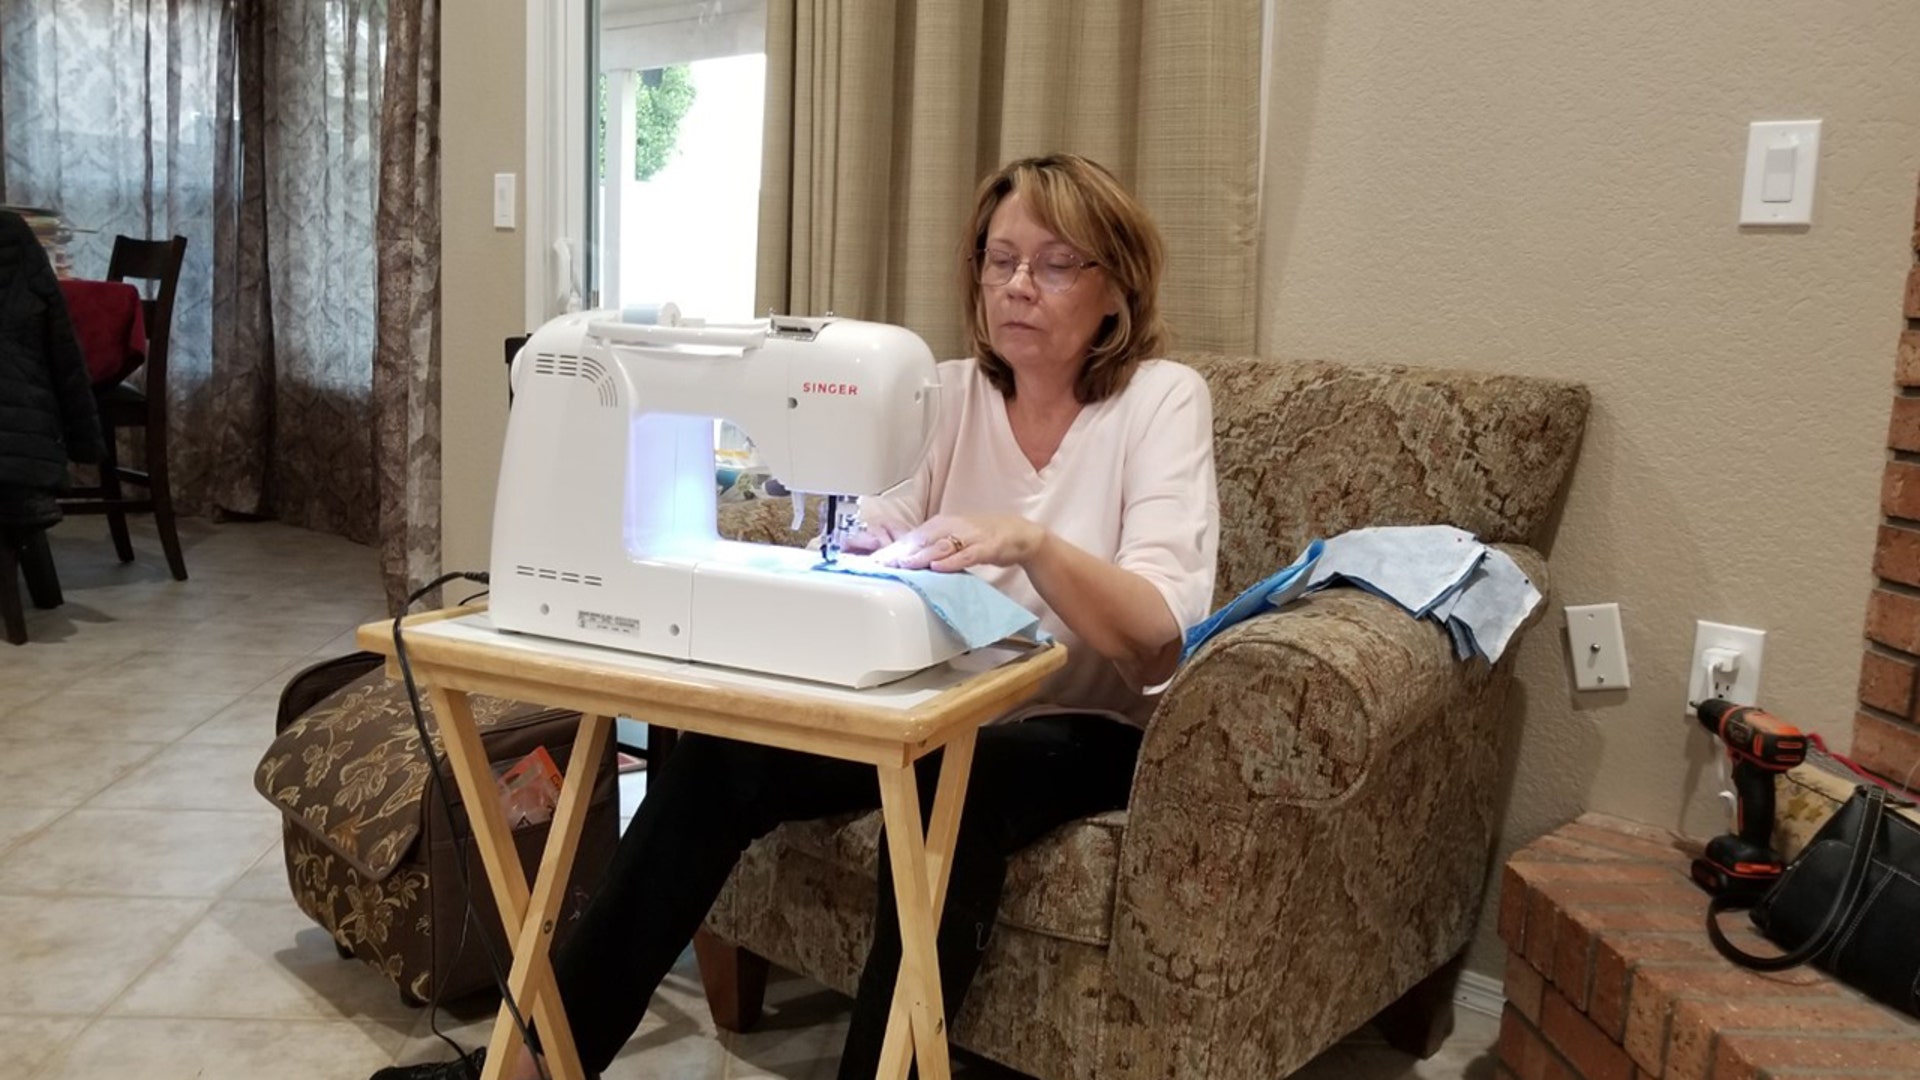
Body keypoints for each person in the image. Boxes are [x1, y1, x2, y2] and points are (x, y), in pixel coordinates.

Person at [374, 152, 1219, 1080]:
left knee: (957, 785)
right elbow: (880, 518)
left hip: (1084, 728)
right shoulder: (949, 393)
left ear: (1117, 290)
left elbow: (1154, 635)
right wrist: (855, 542)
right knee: (717, 761)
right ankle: (547, 1059)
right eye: (999, 258)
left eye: (1056, 264)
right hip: (931, 711)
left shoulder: (1159, 402)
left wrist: (1031, 545)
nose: (1018, 285)